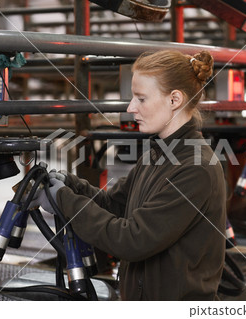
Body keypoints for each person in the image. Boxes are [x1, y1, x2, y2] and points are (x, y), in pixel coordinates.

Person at [38, 50, 226, 301]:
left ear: (175, 100)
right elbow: (114, 204)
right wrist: (71, 185)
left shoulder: (195, 169)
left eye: (141, 99)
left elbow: (131, 239)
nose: (130, 108)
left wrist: (63, 200)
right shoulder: (159, 153)